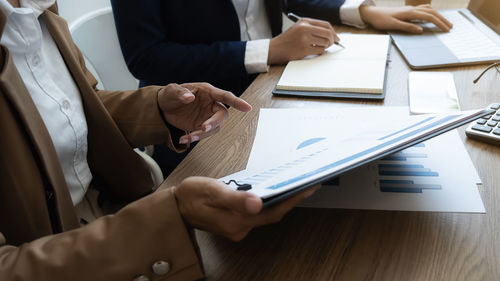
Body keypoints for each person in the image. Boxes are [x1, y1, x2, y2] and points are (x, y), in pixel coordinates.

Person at [0, 0, 319, 280]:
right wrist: (167, 219)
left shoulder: (37, 10)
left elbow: (71, 107)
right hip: (80, 248)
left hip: (113, 209)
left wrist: (157, 110)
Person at [111, 0, 453, 175]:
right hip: (199, 118)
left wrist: (361, 11)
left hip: (275, 87)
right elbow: (147, 58)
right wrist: (270, 49)